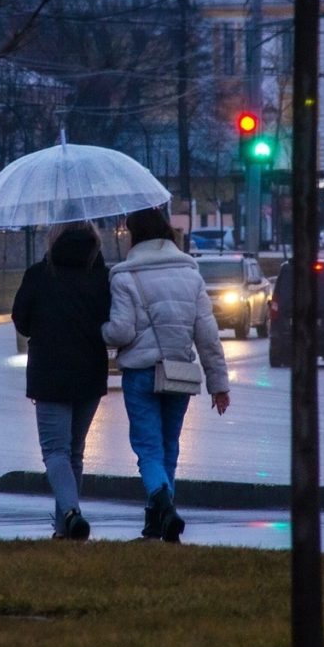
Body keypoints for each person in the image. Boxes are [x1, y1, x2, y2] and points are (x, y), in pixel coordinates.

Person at [102, 207, 230, 542]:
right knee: (168, 446)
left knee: (147, 448)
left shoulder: (124, 276)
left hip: (141, 375)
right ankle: (158, 519)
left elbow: (119, 332)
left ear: (135, 236)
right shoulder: (191, 275)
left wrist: (99, 330)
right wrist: (219, 385)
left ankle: (163, 507)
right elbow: (208, 336)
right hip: (179, 373)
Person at [12, 220, 111, 541]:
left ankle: (70, 513)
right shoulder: (101, 277)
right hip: (90, 373)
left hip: (49, 374)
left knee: (55, 452)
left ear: (53, 240)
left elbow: (21, 322)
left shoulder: (40, 275)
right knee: (74, 453)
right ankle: (63, 529)